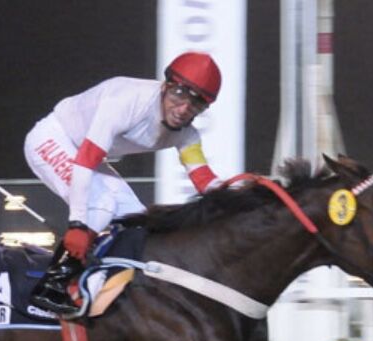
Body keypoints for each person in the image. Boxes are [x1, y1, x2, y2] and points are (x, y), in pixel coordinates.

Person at [24, 51, 224, 315]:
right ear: (165, 86)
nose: (184, 109)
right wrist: (77, 225)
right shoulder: (127, 100)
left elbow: (204, 181)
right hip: (53, 138)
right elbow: (86, 160)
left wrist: (244, 190)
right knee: (102, 205)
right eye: (179, 95)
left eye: (197, 104)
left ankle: (105, 279)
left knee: (137, 219)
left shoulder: (188, 136)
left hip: (85, 154)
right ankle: (51, 285)